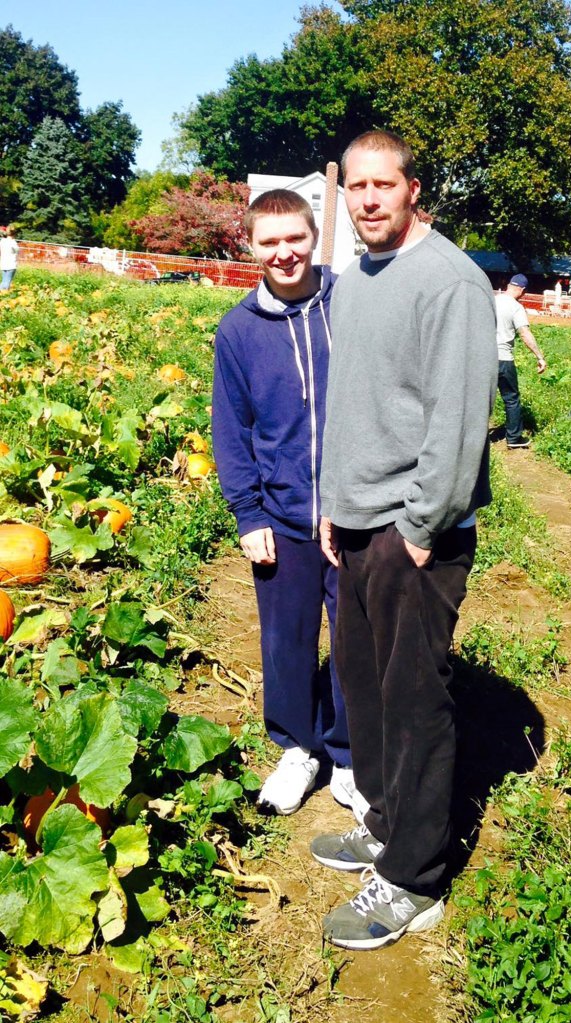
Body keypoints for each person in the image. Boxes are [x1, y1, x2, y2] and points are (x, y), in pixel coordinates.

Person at [310, 130, 498, 950]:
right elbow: (353, 403)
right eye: (356, 187)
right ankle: (386, 826)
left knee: (415, 701)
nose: (369, 200)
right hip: (353, 523)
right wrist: (331, 502)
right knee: (368, 688)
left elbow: (460, 422)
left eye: (385, 185)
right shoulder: (356, 278)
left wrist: (418, 529)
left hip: (413, 533)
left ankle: (416, 878)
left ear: (413, 189)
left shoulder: (450, 280)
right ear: (343, 193)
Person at [212, 190, 365, 820]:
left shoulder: (350, 303)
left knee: (357, 640)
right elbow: (232, 428)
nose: (284, 252)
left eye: (294, 238)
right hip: (283, 517)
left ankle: (352, 755)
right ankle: (298, 747)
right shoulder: (239, 331)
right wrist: (248, 513)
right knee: (286, 639)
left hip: (356, 513)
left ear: (314, 237)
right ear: (252, 247)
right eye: (269, 242)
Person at [495, 274, 546, 448]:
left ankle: (471, 437)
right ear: (522, 290)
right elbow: (524, 334)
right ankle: (514, 438)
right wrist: (539, 356)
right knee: (511, 399)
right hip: (504, 359)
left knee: (481, 399)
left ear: (508, 285)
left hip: (484, 357)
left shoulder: (491, 300)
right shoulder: (516, 308)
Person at [0, 226, 19, 292]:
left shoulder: (2, 241)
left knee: (3, 281)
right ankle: (4, 296)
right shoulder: (13, 243)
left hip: (3, 264)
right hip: (11, 264)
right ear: (14, 234)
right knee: (7, 282)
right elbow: (16, 251)